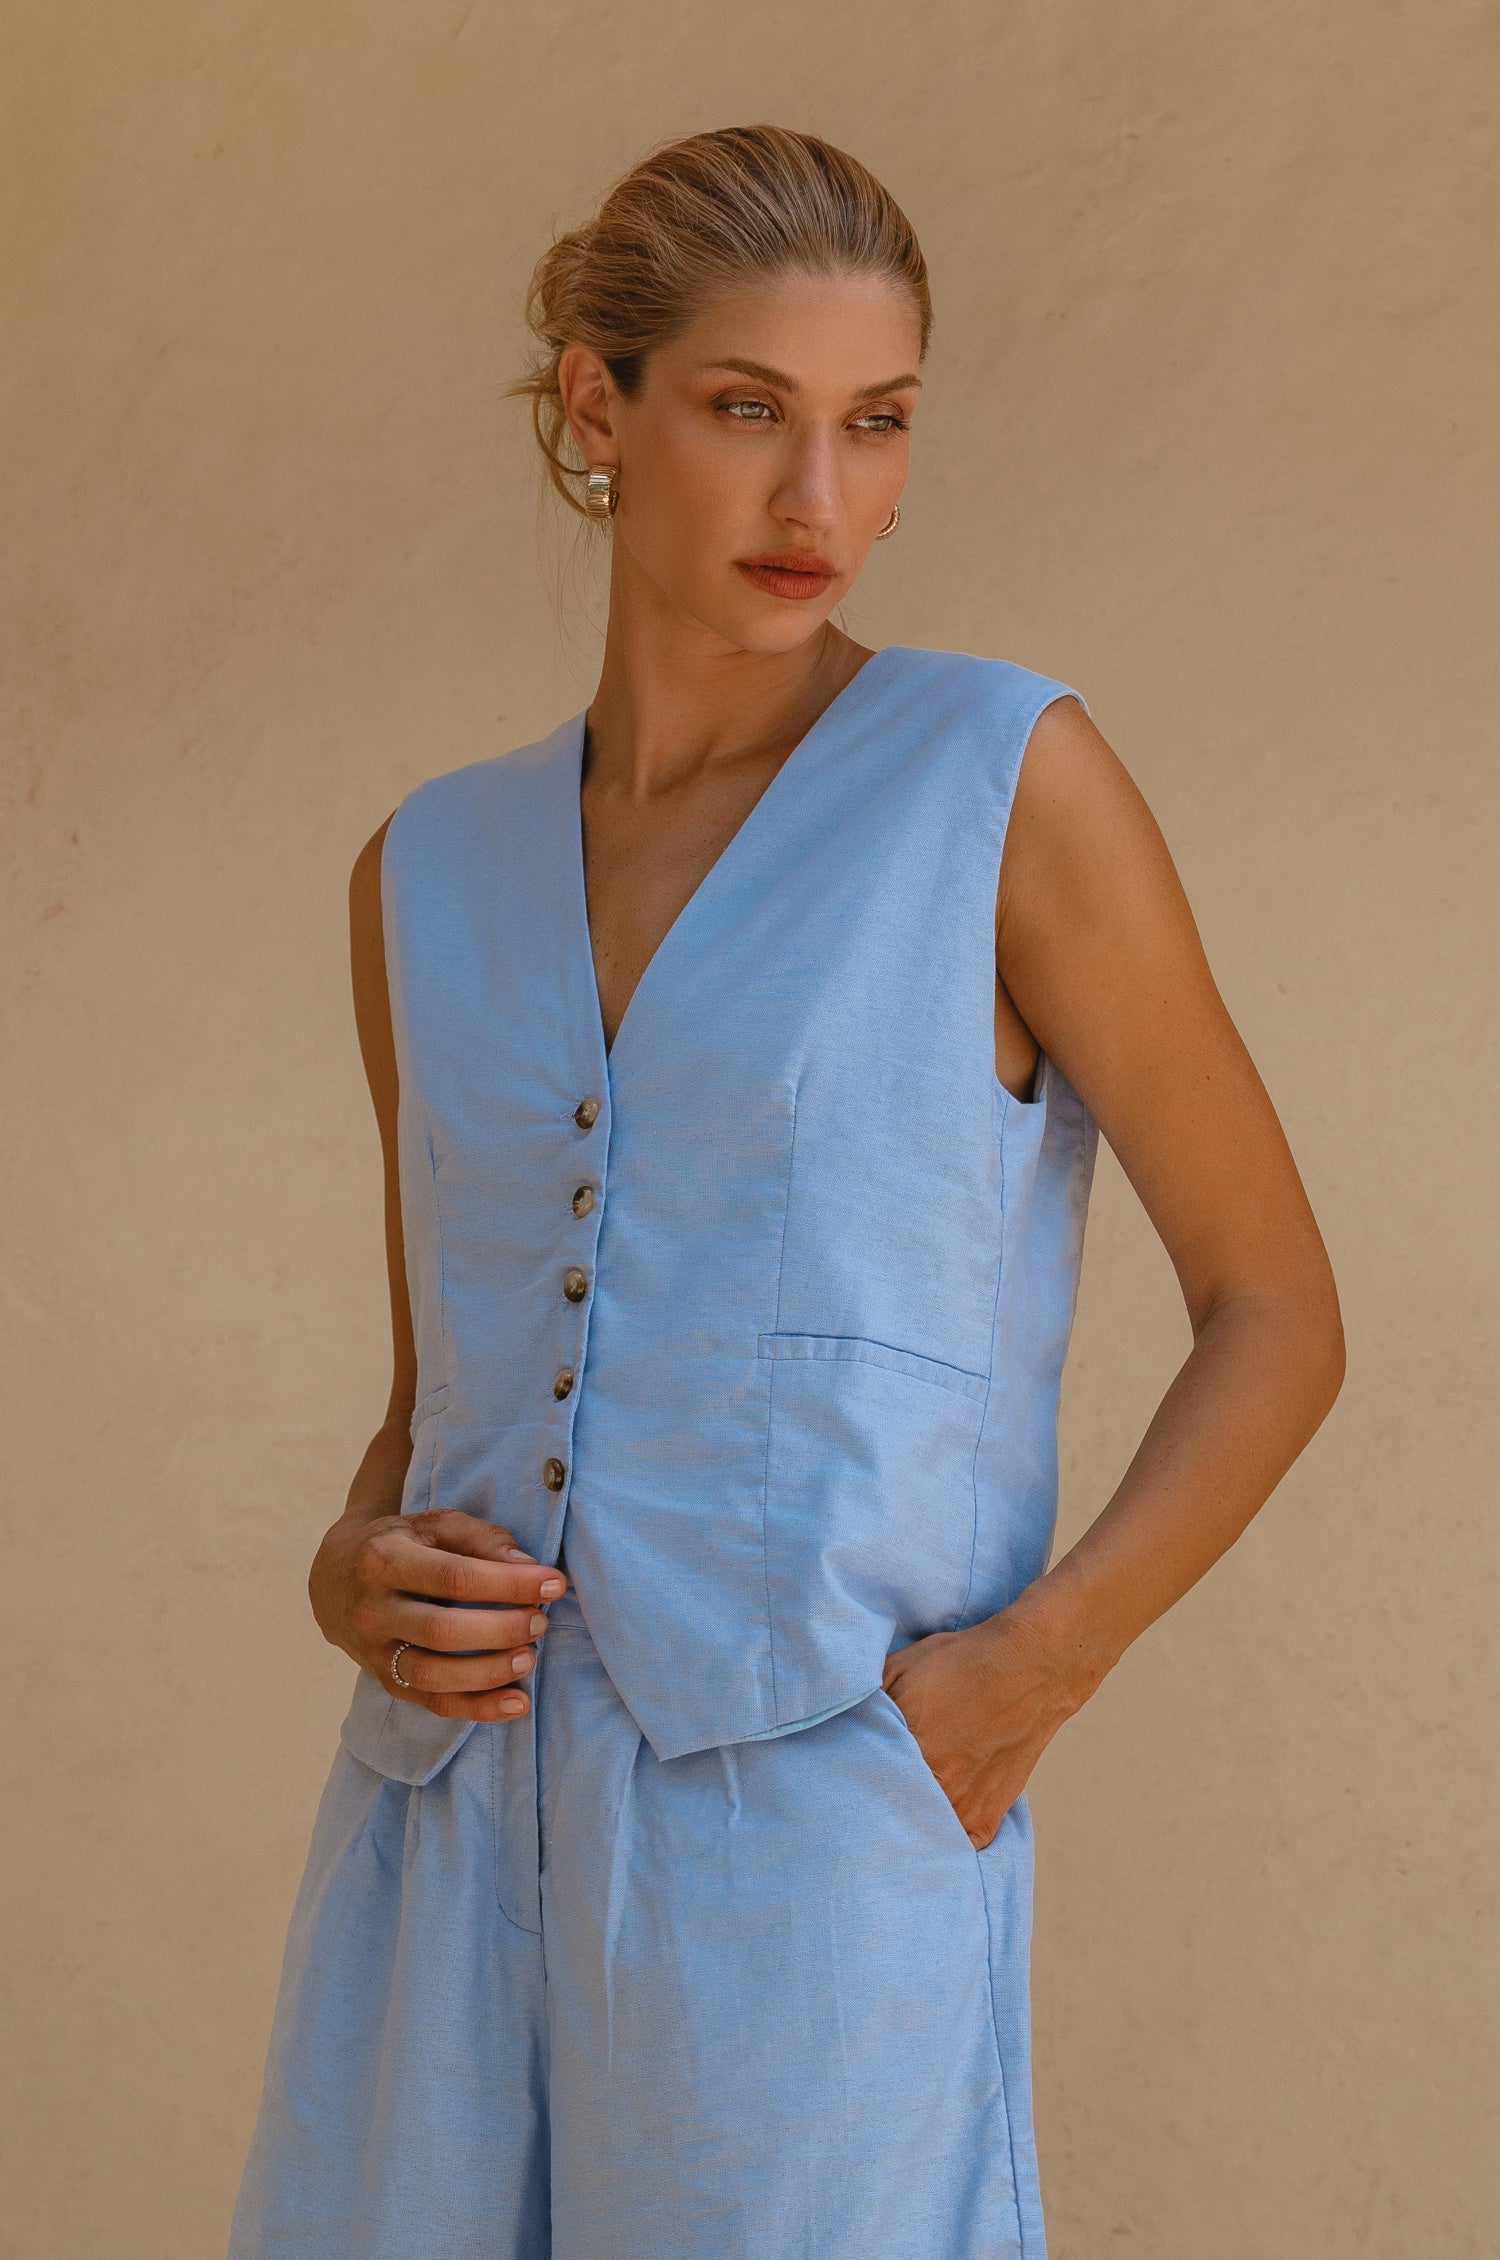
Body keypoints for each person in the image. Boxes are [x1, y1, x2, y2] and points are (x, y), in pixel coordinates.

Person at [228, 124, 1344, 2260]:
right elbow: (429, 1402)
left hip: (809, 1854)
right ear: (597, 405)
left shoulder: (1001, 780)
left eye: (878, 423)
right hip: (440, 1846)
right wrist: (348, 1573)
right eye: (749, 410)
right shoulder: (425, 874)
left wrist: (1035, 1665)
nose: (819, 500)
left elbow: (1282, 1307)